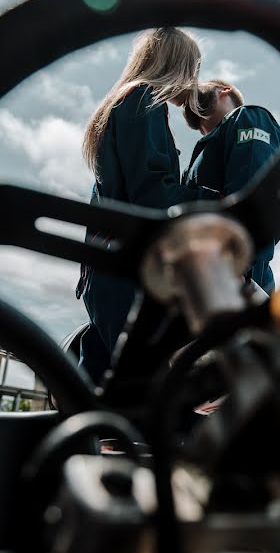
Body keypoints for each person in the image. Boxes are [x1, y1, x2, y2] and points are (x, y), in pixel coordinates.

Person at [77, 28, 220, 384]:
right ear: (178, 65)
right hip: (129, 274)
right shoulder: (144, 101)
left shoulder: (119, 105)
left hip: (103, 272)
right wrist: (217, 203)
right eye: (193, 67)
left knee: (117, 401)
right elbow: (154, 195)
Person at [182, 79, 280, 293]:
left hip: (238, 275)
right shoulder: (199, 158)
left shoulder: (248, 117)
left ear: (224, 90)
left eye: (201, 84)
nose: (193, 90)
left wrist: (238, 268)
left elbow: (252, 199)